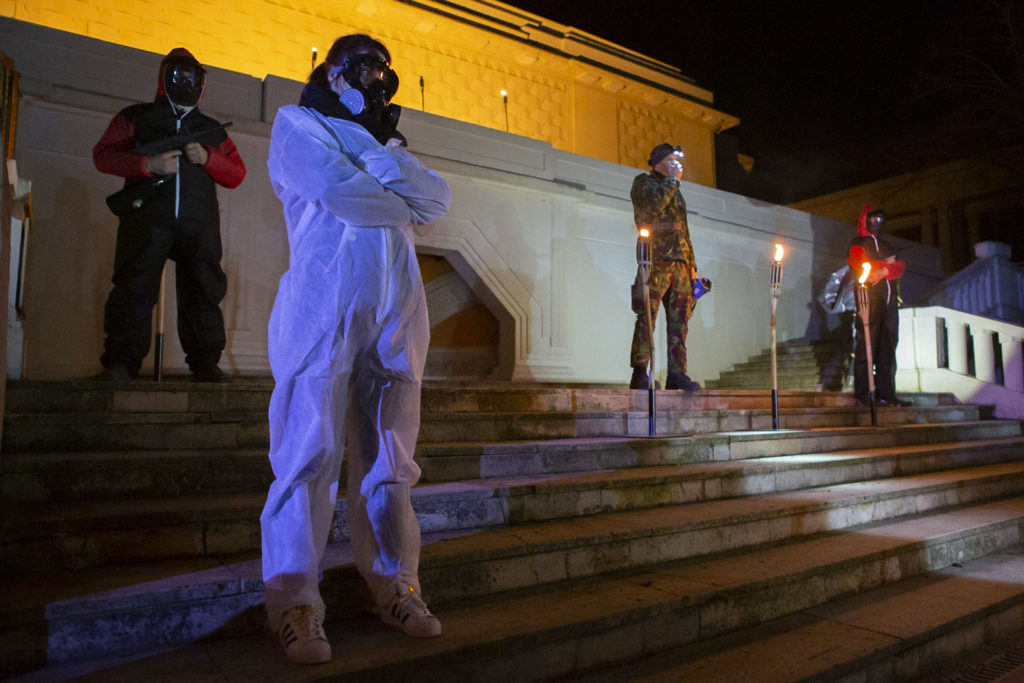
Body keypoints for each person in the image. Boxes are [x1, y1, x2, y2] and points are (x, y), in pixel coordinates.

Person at [259, 34, 452, 665]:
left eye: (384, 75)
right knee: (307, 453)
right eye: (366, 71)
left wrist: (378, 156)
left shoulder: (385, 141)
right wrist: (393, 178)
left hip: (395, 311)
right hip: (322, 309)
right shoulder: (298, 123)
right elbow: (345, 195)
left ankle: (397, 584)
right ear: (334, 74)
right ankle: (293, 602)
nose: (377, 85)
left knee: (390, 461)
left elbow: (438, 200)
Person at [93, 48, 246, 382]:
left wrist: (208, 158)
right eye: (180, 75)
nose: (187, 82)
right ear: (165, 76)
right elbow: (103, 156)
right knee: (134, 286)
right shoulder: (136, 117)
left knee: (204, 291)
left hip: (199, 223)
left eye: (194, 77)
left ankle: (205, 363)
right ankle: (120, 361)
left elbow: (237, 173)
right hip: (146, 219)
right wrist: (146, 165)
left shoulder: (211, 130)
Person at [628, 143, 701, 391]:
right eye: (671, 159)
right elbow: (652, 209)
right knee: (647, 316)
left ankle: (677, 374)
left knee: (680, 322)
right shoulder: (644, 183)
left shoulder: (675, 189)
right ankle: (640, 373)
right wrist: (672, 181)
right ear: (659, 161)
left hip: (680, 265)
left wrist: (692, 268)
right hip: (655, 261)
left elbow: (684, 233)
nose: (676, 165)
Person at [847, 205, 911, 407]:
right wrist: (884, 264)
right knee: (867, 345)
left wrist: (883, 271)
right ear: (865, 220)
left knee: (888, 347)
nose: (877, 224)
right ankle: (863, 394)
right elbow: (859, 264)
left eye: (881, 220)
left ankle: (886, 393)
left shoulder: (888, 245)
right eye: (873, 220)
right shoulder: (858, 243)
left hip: (889, 303)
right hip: (868, 301)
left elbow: (900, 266)